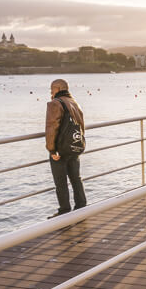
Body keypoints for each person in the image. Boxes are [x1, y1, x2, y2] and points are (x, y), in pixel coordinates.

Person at [45, 79, 86, 219]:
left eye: (51, 89)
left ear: (57, 88)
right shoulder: (75, 103)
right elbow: (82, 127)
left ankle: (64, 212)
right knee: (76, 178)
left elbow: (51, 127)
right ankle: (81, 207)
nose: (51, 92)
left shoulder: (55, 103)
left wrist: (51, 150)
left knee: (60, 182)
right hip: (74, 146)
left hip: (60, 150)